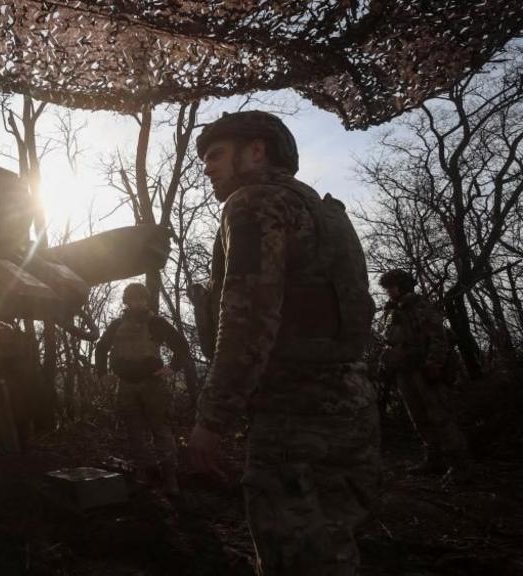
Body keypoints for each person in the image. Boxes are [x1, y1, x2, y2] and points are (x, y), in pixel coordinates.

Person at [187, 111, 380, 575]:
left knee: (295, 558)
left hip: (294, 418)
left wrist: (212, 420)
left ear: (256, 150)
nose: (207, 167)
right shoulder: (322, 210)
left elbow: (248, 320)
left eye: (215, 155)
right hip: (353, 408)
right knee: (337, 546)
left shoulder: (254, 202)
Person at [95, 282, 192, 496]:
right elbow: (101, 348)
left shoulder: (156, 322)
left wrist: (172, 368)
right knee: (135, 434)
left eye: (140, 298)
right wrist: (103, 374)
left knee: (161, 431)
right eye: (132, 299)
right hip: (126, 386)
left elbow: (181, 346)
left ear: (146, 301)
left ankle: (170, 479)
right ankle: (144, 476)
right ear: (126, 302)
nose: (136, 303)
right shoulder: (116, 325)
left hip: (152, 385)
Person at [378, 269, 469, 481]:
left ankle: (460, 466)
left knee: (440, 417)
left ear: (401, 286)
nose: (388, 291)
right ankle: (434, 460)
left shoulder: (420, 306)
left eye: (391, 286)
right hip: (405, 371)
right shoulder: (394, 312)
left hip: (423, 369)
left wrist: (433, 364)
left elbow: (438, 337)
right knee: (419, 418)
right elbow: (392, 342)